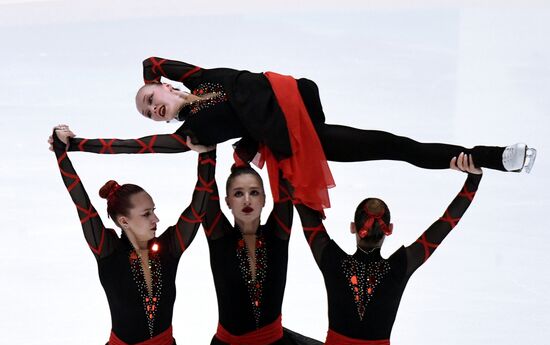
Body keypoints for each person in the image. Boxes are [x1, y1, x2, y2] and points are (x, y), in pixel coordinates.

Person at [64, 56, 536, 214]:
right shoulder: (191, 135)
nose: (153, 109)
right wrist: (76, 143)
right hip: (299, 136)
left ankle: (488, 155)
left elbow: (151, 62)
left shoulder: (196, 76)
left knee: (394, 144)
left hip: (297, 99)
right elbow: (129, 147)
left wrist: (152, 79)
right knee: (395, 146)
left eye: (151, 98)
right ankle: (492, 157)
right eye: (149, 113)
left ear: (165, 86)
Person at [294, 152, 483, 345]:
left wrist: (289, 159)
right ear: (389, 229)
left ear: (353, 227)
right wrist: (472, 182)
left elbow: (304, 211)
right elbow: (445, 224)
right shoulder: (400, 267)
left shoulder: (331, 259)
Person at [50, 124, 216, 345]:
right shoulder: (108, 252)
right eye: (146, 213)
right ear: (124, 221)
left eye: (154, 210)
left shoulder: (169, 249)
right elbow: (82, 204)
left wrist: (208, 153)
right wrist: (62, 153)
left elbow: (198, 207)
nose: (156, 219)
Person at [201, 164, 321, 345]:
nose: (247, 200)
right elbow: (205, 188)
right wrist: (207, 152)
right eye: (238, 193)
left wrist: (270, 144)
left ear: (265, 198)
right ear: (227, 201)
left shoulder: (278, 233)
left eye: (254, 192)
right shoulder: (218, 237)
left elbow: (284, 184)